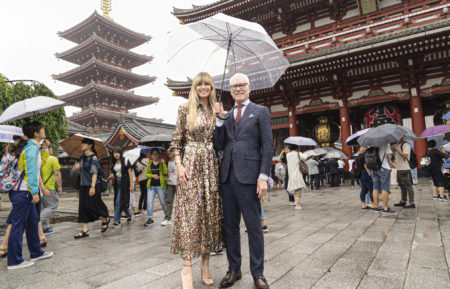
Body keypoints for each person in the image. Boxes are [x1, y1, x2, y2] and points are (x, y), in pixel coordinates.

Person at [214, 72, 273, 289]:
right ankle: (234, 269)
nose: (238, 88)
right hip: (228, 177)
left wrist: (263, 176)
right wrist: (219, 121)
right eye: (234, 86)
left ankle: (257, 273)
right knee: (230, 227)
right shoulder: (227, 116)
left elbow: (267, 146)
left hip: (250, 177)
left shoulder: (260, 112)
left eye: (242, 85)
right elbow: (219, 145)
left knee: (254, 227)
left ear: (249, 88)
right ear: (230, 91)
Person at [171, 72, 224, 289]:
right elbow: (176, 140)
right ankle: (186, 266)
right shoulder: (185, 109)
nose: (203, 88)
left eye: (207, 85)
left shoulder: (216, 110)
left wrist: (222, 118)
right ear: (195, 87)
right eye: (200, 84)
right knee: (189, 213)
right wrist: (179, 164)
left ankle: (205, 264)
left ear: (211, 88)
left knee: (208, 213)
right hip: (190, 163)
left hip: (210, 166)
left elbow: (222, 140)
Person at [7, 121, 53, 270]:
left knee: (33, 222)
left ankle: (36, 252)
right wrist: (34, 192)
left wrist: (45, 148)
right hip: (23, 192)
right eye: (42, 128)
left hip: (24, 191)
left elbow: (39, 166)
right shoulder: (31, 149)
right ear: (36, 133)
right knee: (17, 226)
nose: (44, 130)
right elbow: (32, 172)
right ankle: (14, 260)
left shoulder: (33, 148)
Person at [74, 138, 110, 238]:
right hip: (83, 185)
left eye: (84, 143)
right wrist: (77, 168)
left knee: (92, 205)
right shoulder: (81, 158)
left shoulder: (93, 158)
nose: (81, 145)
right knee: (82, 207)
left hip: (93, 185)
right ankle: (85, 230)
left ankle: (104, 218)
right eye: (81, 143)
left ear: (90, 145)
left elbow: (95, 173)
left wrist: (92, 187)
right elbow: (75, 172)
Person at [40, 144, 63, 234]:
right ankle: (37, 222)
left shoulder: (38, 160)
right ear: (49, 149)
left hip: (39, 188)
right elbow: (57, 174)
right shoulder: (52, 159)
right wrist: (60, 186)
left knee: (43, 208)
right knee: (53, 206)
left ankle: (44, 228)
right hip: (48, 188)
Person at [110, 147, 134, 228]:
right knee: (121, 202)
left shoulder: (126, 160)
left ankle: (117, 221)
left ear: (120, 153)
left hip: (125, 183)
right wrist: (112, 175)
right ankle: (129, 215)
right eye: (114, 153)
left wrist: (131, 185)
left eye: (117, 152)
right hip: (117, 183)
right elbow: (113, 172)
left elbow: (130, 173)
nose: (116, 154)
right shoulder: (114, 163)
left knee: (118, 202)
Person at [144, 148, 167, 227]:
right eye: (153, 154)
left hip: (160, 186)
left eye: (156, 154)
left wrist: (164, 164)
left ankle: (167, 217)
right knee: (149, 203)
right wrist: (152, 176)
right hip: (151, 186)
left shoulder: (161, 163)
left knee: (163, 202)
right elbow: (147, 174)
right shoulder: (150, 163)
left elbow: (165, 173)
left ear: (159, 155)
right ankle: (150, 218)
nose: (155, 156)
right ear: (151, 155)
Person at [371, 143, 395, 213]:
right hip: (384, 168)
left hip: (374, 168)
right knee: (385, 188)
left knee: (375, 188)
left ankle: (376, 206)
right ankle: (385, 208)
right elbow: (389, 156)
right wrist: (390, 149)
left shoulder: (371, 143)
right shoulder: (385, 143)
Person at [391, 138, 415, 208]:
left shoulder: (406, 145)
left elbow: (405, 155)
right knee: (401, 185)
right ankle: (403, 200)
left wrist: (396, 148)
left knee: (408, 186)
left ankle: (412, 202)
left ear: (402, 137)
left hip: (405, 168)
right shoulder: (398, 145)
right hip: (399, 168)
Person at [162, 148, 177, 226]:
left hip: (178, 183)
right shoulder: (167, 162)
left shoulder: (178, 162)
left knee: (180, 202)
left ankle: (180, 218)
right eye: (168, 151)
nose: (169, 153)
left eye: (171, 151)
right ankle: (167, 218)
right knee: (169, 201)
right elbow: (165, 173)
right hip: (170, 183)